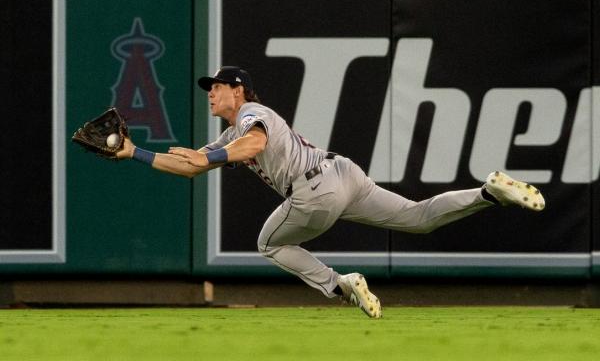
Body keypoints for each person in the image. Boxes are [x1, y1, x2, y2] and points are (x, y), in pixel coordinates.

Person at [117, 66, 545, 318]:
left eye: (217, 85)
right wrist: (135, 152)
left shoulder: (251, 113)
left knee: (268, 242)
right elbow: (190, 166)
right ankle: (488, 192)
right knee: (418, 217)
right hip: (343, 173)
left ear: (239, 89)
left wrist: (207, 158)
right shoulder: (232, 131)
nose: (211, 92)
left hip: (315, 190)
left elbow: (254, 145)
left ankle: (341, 284)